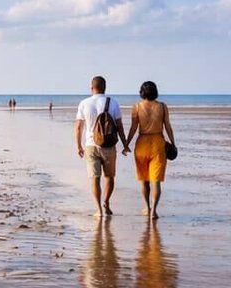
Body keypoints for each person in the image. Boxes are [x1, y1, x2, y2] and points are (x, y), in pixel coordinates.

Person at [121, 80, 176, 220]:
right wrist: (173, 143)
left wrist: (126, 143)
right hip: (158, 143)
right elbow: (168, 126)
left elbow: (133, 128)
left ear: (142, 92)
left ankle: (147, 206)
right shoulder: (163, 107)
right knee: (156, 181)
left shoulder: (137, 107)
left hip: (142, 144)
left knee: (144, 180)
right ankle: (154, 211)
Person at [75, 75, 126, 218]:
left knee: (94, 178)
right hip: (109, 146)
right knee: (109, 177)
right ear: (105, 88)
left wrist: (78, 145)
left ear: (91, 87)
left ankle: (98, 209)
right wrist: (125, 144)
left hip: (91, 145)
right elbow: (120, 126)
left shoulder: (84, 103)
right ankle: (106, 202)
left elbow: (79, 127)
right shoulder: (113, 103)